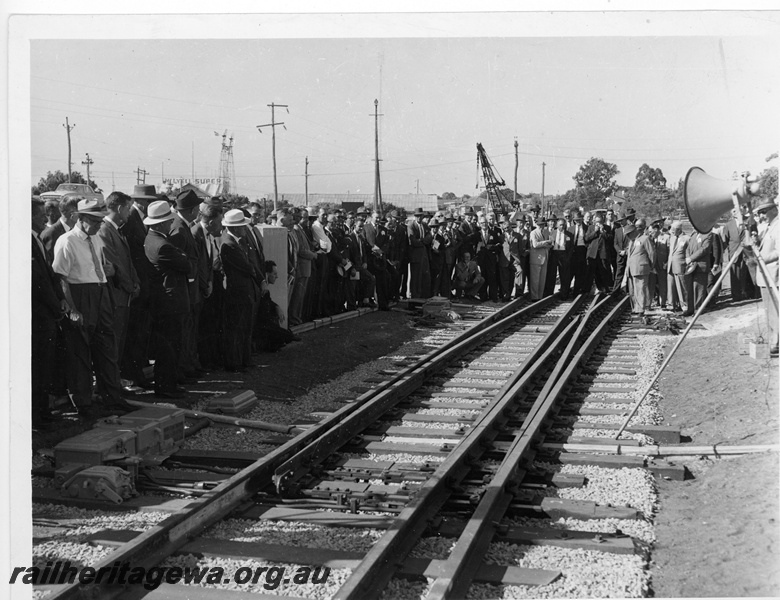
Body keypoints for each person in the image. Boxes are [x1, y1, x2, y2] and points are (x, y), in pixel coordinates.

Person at [52, 198, 131, 419]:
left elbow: (99, 267)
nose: (99, 225)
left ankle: (113, 398)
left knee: (106, 346)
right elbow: (61, 278)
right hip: (80, 295)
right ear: (82, 219)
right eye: (95, 221)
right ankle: (84, 404)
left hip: (100, 293)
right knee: (80, 351)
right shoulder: (66, 241)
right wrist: (72, 308)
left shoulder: (95, 238)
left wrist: (109, 273)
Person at [143, 200, 191, 399]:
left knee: (168, 346)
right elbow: (186, 264)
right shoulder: (163, 245)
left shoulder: (152, 240)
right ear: (162, 223)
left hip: (164, 302)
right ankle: (165, 386)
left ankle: (167, 384)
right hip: (170, 302)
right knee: (170, 346)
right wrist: (182, 255)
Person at [32, 197, 68, 426]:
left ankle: (43, 412)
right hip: (40, 314)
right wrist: (57, 306)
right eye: (39, 215)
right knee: (39, 366)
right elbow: (39, 282)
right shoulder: (27, 240)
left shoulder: (34, 239)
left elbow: (49, 276)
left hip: (47, 311)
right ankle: (38, 415)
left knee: (45, 365)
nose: (45, 218)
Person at [98, 192, 140, 372]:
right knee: (113, 343)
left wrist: (135, 282)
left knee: (119, 342)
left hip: (123, 296)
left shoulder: (115, 230)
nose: (129, 213)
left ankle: (114, 382)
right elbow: (112, 262)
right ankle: (110, 386)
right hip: (116, 296)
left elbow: (127, 262)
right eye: (128, 208)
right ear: (120, 208)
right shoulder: (105, 230)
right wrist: (131, 286)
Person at [220, 208, 263, 372]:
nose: (245, 229)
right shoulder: (229, 244)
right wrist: (253, 270)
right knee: (237, 328)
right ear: (236, 227)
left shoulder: (235, 243)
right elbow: (247, 267)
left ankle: (243, 359)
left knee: (244, 327)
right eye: (243, 227)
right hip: (238, 291)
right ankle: (234, 362)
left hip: (244, 290)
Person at [255, 260, 301, 351]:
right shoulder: (262, 290)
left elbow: (269, 301)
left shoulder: (265, 289)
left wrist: (277, 307)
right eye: (274, 274)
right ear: (267, 275)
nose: (277, 277)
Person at [755, 200, 779, 355]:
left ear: (773, 210)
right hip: (766, 277)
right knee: (769, 311)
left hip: (773, 276)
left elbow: (778, 252)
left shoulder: (778, 227)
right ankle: (774, 340)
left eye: (764, 212)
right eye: (760, 213)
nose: (762, 216)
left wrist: (763, 258)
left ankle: (776, 342)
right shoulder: (770, 227)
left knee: (774, 311)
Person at [722, 208, 756, 301]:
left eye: (736, 211)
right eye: (733, 211)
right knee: (735, 275)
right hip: (734, 253)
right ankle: (736, 296)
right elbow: (725, 240)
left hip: (747, 252)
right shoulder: (728, 225)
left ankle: (751, 293)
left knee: (748, 273)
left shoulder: (749, 222)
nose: (735, 213)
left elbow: (754, 234)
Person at [626, 218, 655, 322]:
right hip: (632, 269)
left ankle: (641, 310)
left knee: (641, 289)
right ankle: (636, 308)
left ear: (634, 231)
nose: (628, 236)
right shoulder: (632, 241)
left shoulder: (645, 239)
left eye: (629, 234)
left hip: (641, 268)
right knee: (634, 291)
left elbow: (651, 253)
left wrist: (651, 266)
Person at [40, 196, 79, 264]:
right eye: (81, 213)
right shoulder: (51, 234)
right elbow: (51, 265)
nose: (83, 217)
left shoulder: (75, 230)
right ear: (71, 214)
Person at [683, 229, 713, 316]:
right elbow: (688, 248)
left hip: (701, 266)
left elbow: (704, 249)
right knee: (690, 288)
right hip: (691, 266)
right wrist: (688, 258)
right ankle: (690, 309)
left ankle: (698, 309)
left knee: (699, 288)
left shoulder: (708, 234)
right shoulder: (693, 235)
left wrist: (691, 258)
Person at [475, 216, 501, 302]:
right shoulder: (477, 234)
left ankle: (493, 297)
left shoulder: (493, 233)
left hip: (491, 260)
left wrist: (492, 247)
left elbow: (499, 245)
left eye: (485, 223)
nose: (484, 225)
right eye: (482, 223)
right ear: (479, 224)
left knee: (492, 278)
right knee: (483, 277)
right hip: (481, 259)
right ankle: (483, 297)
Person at [408, 208, 432, 298]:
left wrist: (422, 241)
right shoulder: (411, 225)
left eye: (421, 216)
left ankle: (423, 295)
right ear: (415, 217)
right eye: (417, 216)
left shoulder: (425, 225)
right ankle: (415, 295)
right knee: (415, 276)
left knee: (425, 275)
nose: (419, 218)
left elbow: (430, 237)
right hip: (415, 254)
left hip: (424, 254)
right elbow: (413, 241)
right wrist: (423, 241)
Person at [612, 208, 636, 295]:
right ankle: (615, 291)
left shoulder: (631, 228)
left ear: (626, 220)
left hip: (629, 254)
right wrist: (619, 251)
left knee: (630, 273)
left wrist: (626, 251)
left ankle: (630, 290)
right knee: (619, 273)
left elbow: (632, 241)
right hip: (620, 255)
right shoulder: (617, 230)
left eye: (622, 220)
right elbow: (615, 243)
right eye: (620, 221)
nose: (621, 222)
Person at [528, 216, 553, 300]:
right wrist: (545, 242)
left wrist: (546, 244)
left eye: (542, 224)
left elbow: (550, 244)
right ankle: (534, 297)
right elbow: (535, 245)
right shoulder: (533, 233)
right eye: (539, 225)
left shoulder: (546, 232)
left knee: (542, 279)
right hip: (536, 259)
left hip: (545, 258)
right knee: (535, 280)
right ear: (536, 224)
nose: (541, 226)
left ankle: (540, 296)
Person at [667, 221, 688, 313]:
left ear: (679, 230)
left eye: (673, 229)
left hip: (680, 266)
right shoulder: (671, 238)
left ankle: (684, 306)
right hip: (670, 266)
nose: (671, 231)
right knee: (671, 287)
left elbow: (688, 253)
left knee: (681, 287)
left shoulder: (687, 238)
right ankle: (672, 305)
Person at [550, 218, 574, 298]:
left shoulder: (569, 234)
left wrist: (568, 257)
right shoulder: (552, 233)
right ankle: (549, 293)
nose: (562, 226)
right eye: (560, 225)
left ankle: (564, 294)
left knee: (564, 275)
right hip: (554, 254)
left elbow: (571, 247)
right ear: (557, 225)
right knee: (552, 274)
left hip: (564, 254)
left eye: (563, 225)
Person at [568, 211, 588, 294]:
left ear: (582, 219)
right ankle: (567, 289)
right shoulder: (571, 229)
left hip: (582, 249)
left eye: (579, 220)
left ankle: (577, 290)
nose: (578, 222)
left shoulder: (587, 228)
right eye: (576, 220)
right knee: (571, 271)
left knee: (580, 271)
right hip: (573, 251)